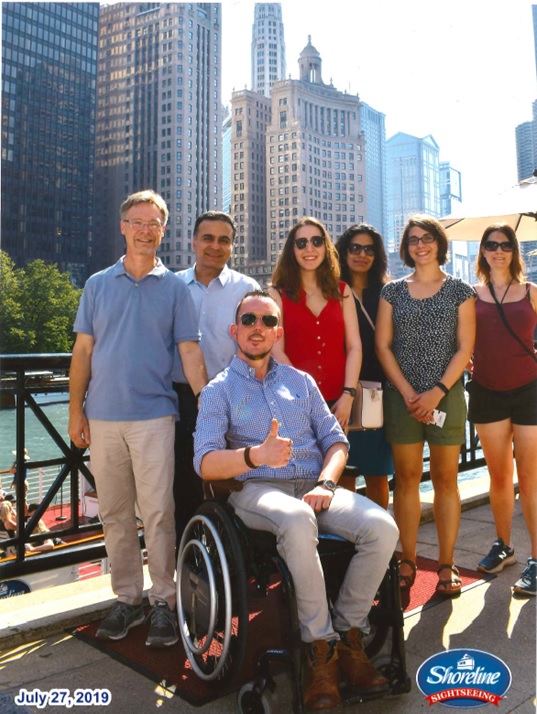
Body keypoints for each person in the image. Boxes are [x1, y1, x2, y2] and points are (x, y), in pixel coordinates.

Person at [194, 290, 399, 711]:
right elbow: (205, 463)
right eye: (249, 320)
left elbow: (337, 441)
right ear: (235, 330)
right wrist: (254, 456)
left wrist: (326, 482)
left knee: (383, 527)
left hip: (314, 484)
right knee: (296, 518)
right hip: (257, 491)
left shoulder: (300, 381)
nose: (258, 328)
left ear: (278, 332)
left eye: (268, 322)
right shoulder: (218, 390)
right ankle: (318, 648)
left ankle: (349, 635)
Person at [68, 190, 208, 647]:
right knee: (113, 515)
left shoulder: (174, 288)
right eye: (138, 221)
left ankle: (163, 601)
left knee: (158, 513)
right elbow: (83, 351)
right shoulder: (96, 284)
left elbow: (190, 350)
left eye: (155, 222)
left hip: (154, 416)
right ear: (123, 227)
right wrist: (75, 412)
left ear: (163, 230)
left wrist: (208, 404)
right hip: (102, 418)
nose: (146, 229)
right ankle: (127, 599)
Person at [376, 215, 475, 597]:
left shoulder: (460, 291)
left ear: (439, 243)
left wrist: (435, 391)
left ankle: (447, 563)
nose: (421, 245)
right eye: (414, 239)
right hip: (402, 398)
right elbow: (383, 345)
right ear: (406, 247)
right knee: (406, 477)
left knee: (447, 478)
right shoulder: (393, 292)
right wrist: (406, 392)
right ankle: (408, 558)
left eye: (428, 237)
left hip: (445, 396)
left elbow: (465, 347)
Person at [172, 211, 259, 542]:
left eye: (224, 240)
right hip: (180, 397)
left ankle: (236, 559)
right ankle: (191, 559)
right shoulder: (173, 285)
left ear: (232, 246)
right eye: (207, 238)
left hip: (234, 397)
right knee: (185, 482)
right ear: (194, 241)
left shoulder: (246, 288)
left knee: (235, 479)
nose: (215, 246)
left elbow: (255, 343)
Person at [469, 224, 537, 597]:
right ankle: (504, 546)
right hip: (487, 393)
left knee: (529, 479)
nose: (498, 250)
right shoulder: (471, 296)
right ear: (482, 251)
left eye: (505, 245)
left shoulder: (531, 292)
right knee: (498, 477)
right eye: (491, 245)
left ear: (514, 251)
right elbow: (461, 341)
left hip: (529, 391)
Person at [268, 217, 361, 431]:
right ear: (292, 250)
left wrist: (349, 394)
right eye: (301, 243)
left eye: (317, 241)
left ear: (326, 247)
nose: (309, 248)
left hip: (338, 403)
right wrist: (305, 397)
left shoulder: (343, 291)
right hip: (294, 401)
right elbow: (277, 351)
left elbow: (354, 346)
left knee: (335, 461)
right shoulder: (276, 294)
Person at [336, 224, 394, 509]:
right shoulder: (331, 290)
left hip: (376, 392)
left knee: (376, 473)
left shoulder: (387, 292)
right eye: (355, 248)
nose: (362, 254)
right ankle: (346, 542)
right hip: (339, 391)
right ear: (343, 252)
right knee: (342, 472)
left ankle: (379, 541)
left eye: (369, 249)